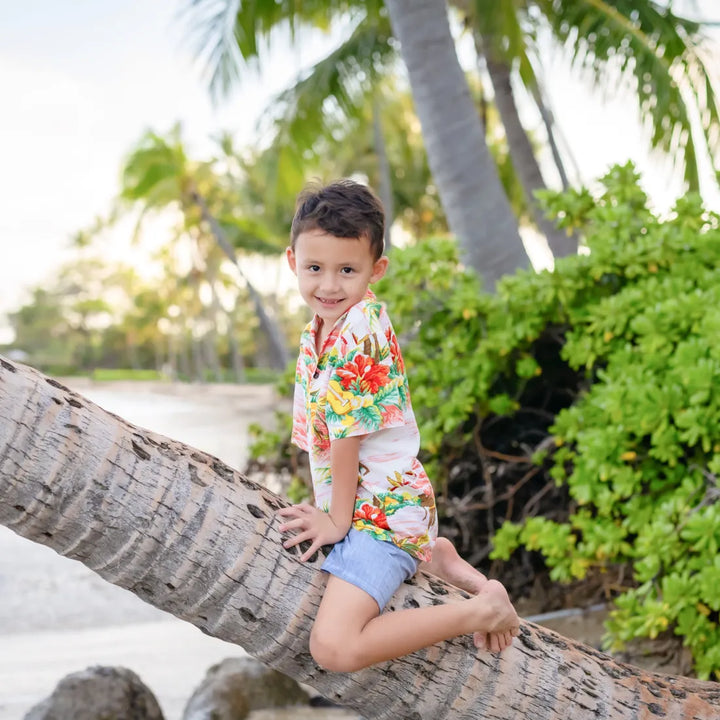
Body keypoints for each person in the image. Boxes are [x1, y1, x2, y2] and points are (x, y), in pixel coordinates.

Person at [278, 179, 520, 673]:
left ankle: (480, 608)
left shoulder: (358, 331)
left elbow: (348, 437)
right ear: (291, 262)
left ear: (376, 270)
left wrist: (337, 521)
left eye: (347, 270)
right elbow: (323, 446)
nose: (328, 285)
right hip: (382, 507)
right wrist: (329, 509)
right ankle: (436, 553)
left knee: (334, 648)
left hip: (381, 517)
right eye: (315, 268)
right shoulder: (317, 332)